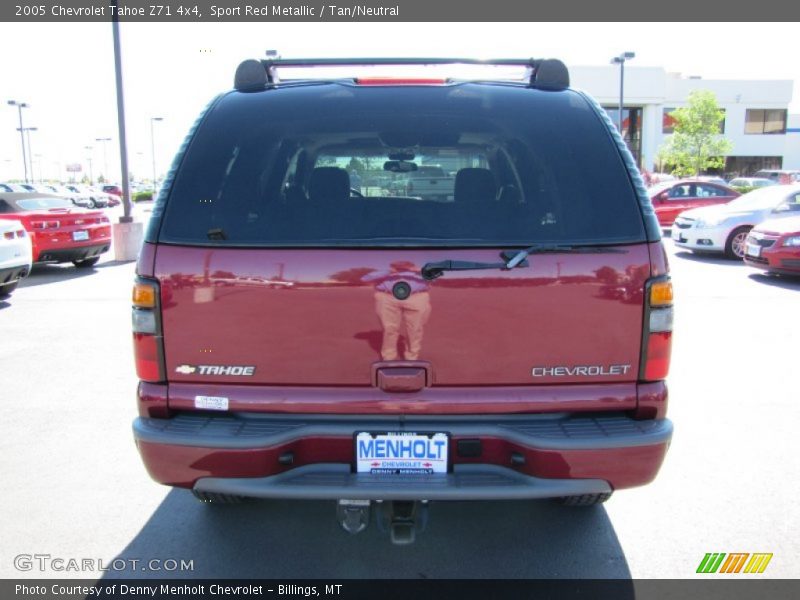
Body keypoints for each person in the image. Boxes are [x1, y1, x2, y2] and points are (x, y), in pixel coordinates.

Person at [362, 261, 432, 361]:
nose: (402, 268)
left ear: (411, 265)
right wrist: (389, 271)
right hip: (387, 297)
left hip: (416, 297)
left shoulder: (420, 273)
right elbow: (365, 278)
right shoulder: (385, 273)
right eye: (398, 266)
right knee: (389, 328)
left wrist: (417, 270)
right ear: (392, 266)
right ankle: (388, 357)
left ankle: (411, 357)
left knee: (415, 329)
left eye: (405, 266)